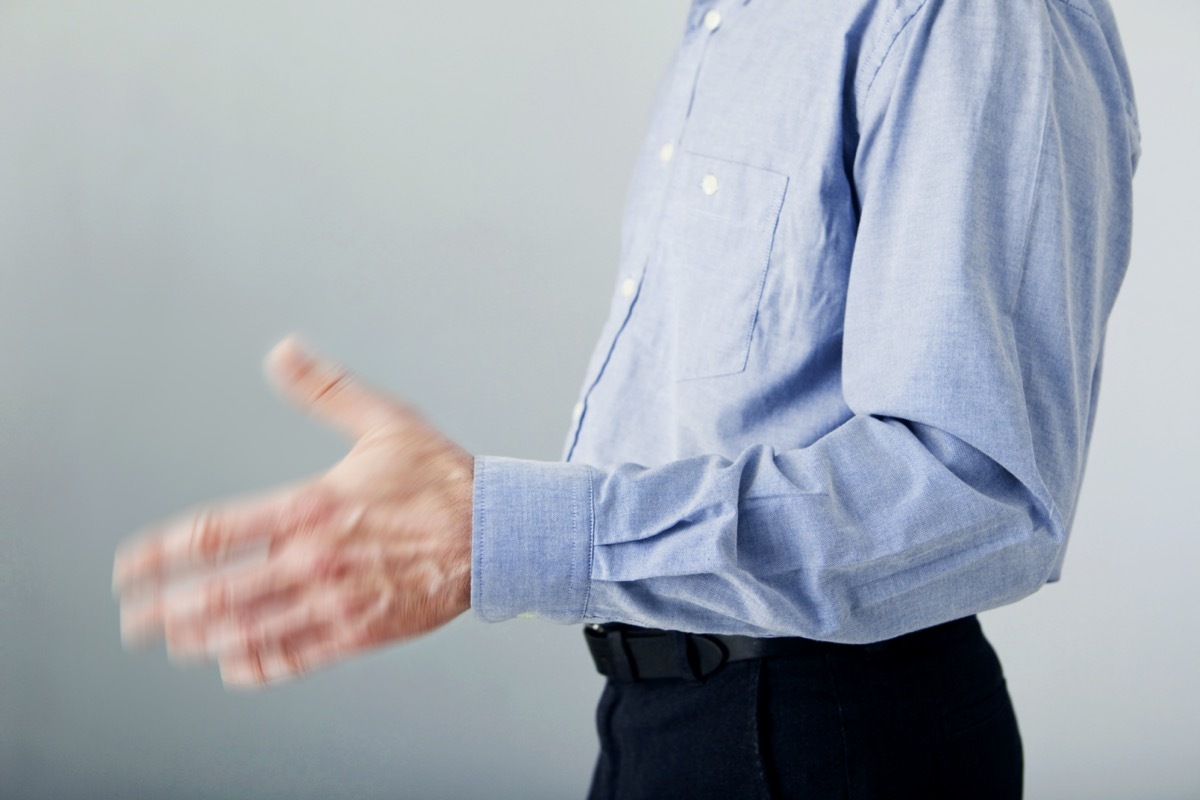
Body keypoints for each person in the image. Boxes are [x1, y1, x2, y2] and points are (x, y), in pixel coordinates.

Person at [113, 0, 1140, 797]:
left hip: (828, 737)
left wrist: (500, 531)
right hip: (657, 718)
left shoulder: (966, 17)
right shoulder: (730, 22)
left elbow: (978, 494)